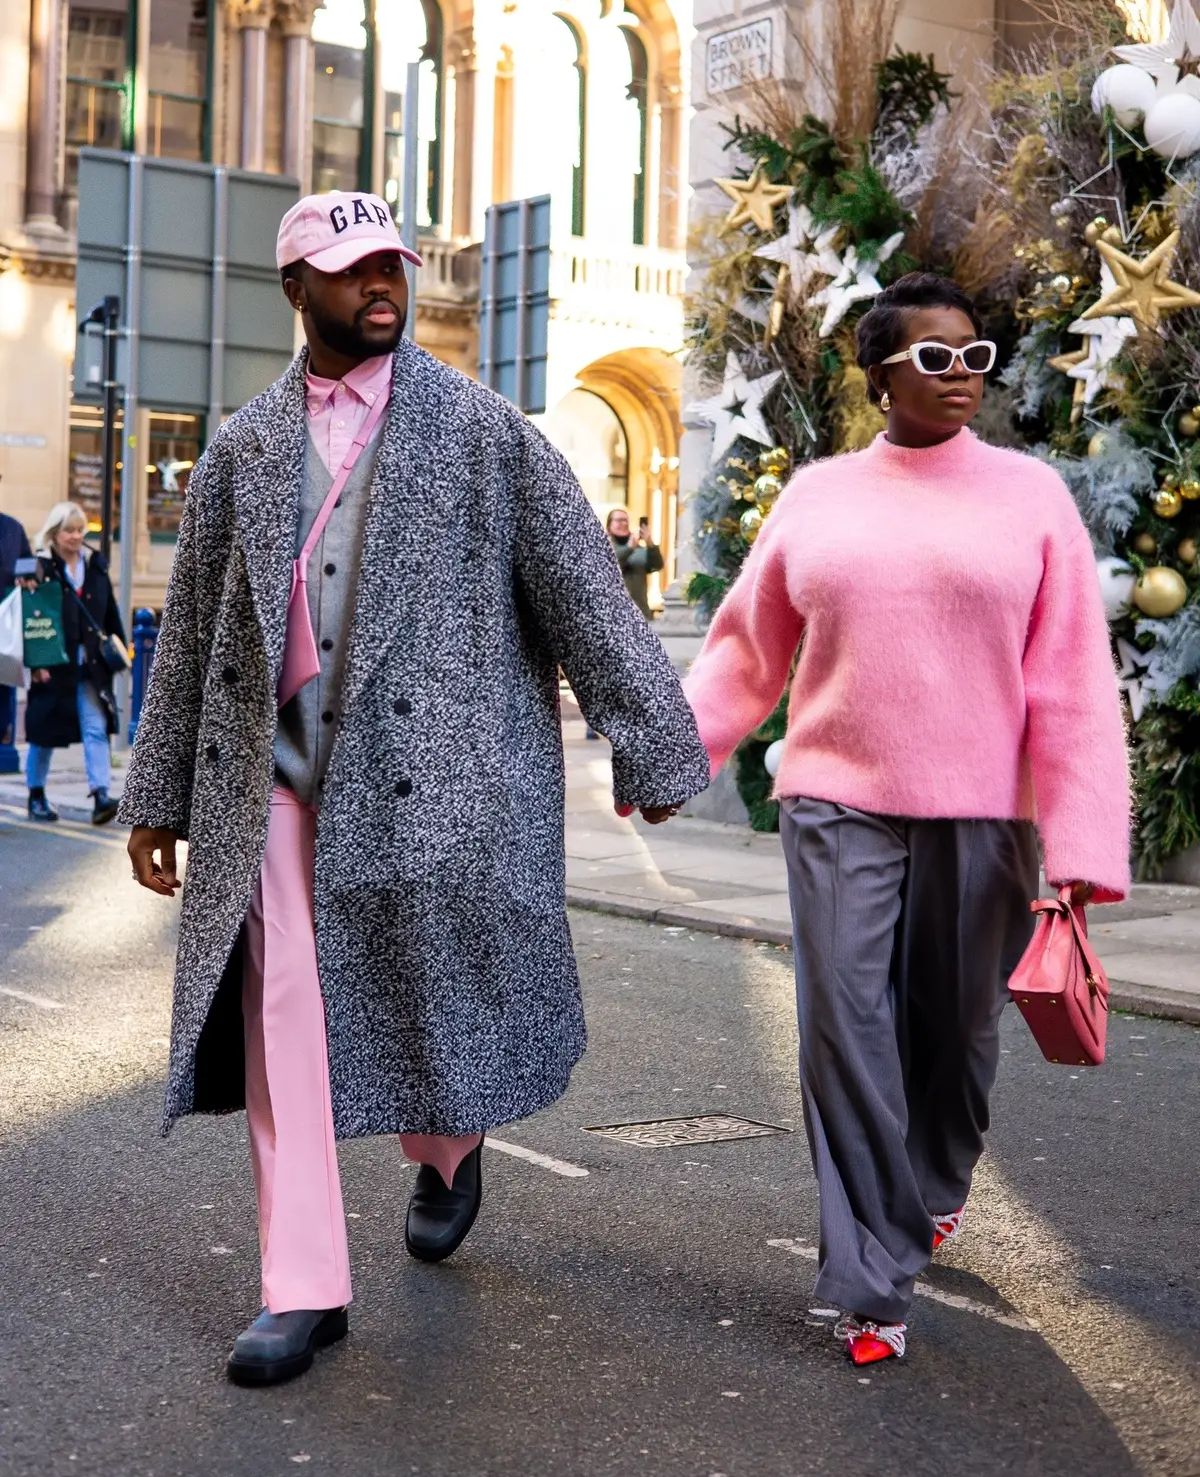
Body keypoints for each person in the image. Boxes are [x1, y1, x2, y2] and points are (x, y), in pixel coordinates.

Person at [121, 190, 710, 1389]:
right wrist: (159, 790)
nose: (380, 283)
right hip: (275, 789)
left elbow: (586, 599)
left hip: (442, 793)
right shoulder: (242, 447)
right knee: (283, 1023)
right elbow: (196, 632)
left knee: (430, 1003)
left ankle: (447, 1148)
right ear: (298, 291)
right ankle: (302, 1289)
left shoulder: (488, 434)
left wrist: (653, 743)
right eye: (350, 270)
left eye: (390, 262)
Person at [683, 272, 1130, 1368]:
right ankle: (872, 1275)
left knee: (957, 1039)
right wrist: (677, 753)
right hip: (837, 801)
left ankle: (931, 1188)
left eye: (975, 357)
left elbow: (1070, 681)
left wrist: (1077, 853)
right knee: (844, 1027)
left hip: (983, 815)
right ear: (879, 374)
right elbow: (750, 646)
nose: (961, 377)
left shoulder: (1031, 498)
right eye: (935, 358)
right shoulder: (821, 494)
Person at [24, 501, 125, 826]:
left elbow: (109, 612)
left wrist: (119, 647)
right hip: (53, 664)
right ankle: (36, 794)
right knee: (44, 732)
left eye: (81, 530)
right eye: (69, 530)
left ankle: (100, 796)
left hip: (91, 665)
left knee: (95, 728)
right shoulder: (38, 567)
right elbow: (31, 619)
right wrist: (35, 663)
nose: (76, 536)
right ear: (54, 533)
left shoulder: (95, 565)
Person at [0, 474, 32, 765]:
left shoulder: (13, 528)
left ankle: (4, 747)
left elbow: (28, 568)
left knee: (4, 689)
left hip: (6, 628)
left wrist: (28, 579)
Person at [606, 507, 664, 619]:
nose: (623, 523)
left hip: (639, 611)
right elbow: (611, 563)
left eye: (626, 520)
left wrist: (650, 543)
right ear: (609, 525)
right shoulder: (604, 546)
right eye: (619, 520)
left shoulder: (638, 549)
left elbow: (657, 565)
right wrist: (629, 549)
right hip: (613, 612)